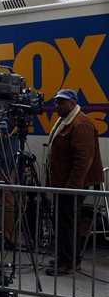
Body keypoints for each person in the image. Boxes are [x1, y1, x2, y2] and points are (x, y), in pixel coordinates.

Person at [46, 89, 103, 276]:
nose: (57, 106)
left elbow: (83, 160)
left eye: (61, 102)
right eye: (56, 102)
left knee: (68, 223)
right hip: (63, 184)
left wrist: (71, 187)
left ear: (72, 103)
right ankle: (65, 258)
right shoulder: (67, 121)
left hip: (71, 186)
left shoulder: (81, 124)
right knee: (63, 222)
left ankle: (68, 263)